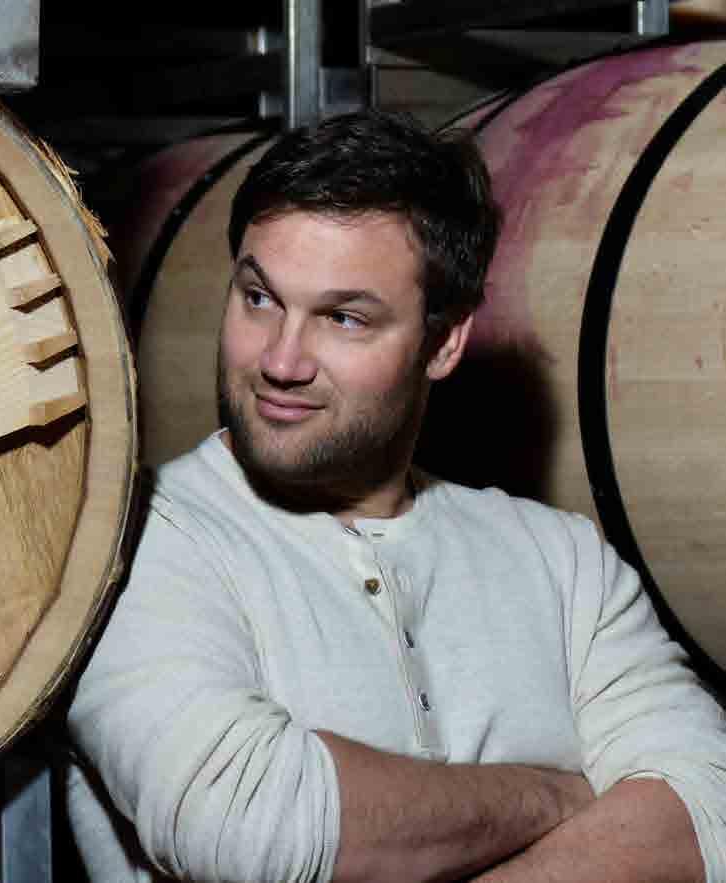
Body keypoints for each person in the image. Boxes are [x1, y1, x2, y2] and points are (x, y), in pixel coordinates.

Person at [66, 110, 726, 882]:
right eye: (258, 298)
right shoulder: (127, 539)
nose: (280, 360)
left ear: (442, 342)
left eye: (342, 317)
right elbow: (245, 821)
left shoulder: (564, 562)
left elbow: (705, 813)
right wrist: (556, 795)